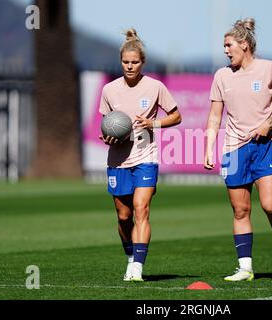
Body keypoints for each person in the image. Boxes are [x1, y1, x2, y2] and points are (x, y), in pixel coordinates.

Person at [204, 18, 272, 282]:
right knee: (240, 211)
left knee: (270, 206)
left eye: (228, 45)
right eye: (224, 46)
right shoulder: (221, 75)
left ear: (244, 45)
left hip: (265, 147)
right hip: (234, 150)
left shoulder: (269, 69)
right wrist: (209, 148)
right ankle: (245, 268)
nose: (225, 50)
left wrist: (269, 124)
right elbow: (214, 117)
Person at [99, 28, 182, 282]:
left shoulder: (155, 86)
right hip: (118, 160)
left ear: (142, 62)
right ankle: (130, 257)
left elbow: (176, 116)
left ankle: (137, 267)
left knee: (141, 208)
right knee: (124, 218)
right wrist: (108, 137)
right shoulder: (109, 90)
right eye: (126, 62)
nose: (130, 66)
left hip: (146, 156)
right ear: (121, 62)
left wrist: (152, 124)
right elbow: (105, 125)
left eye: (135, 62)